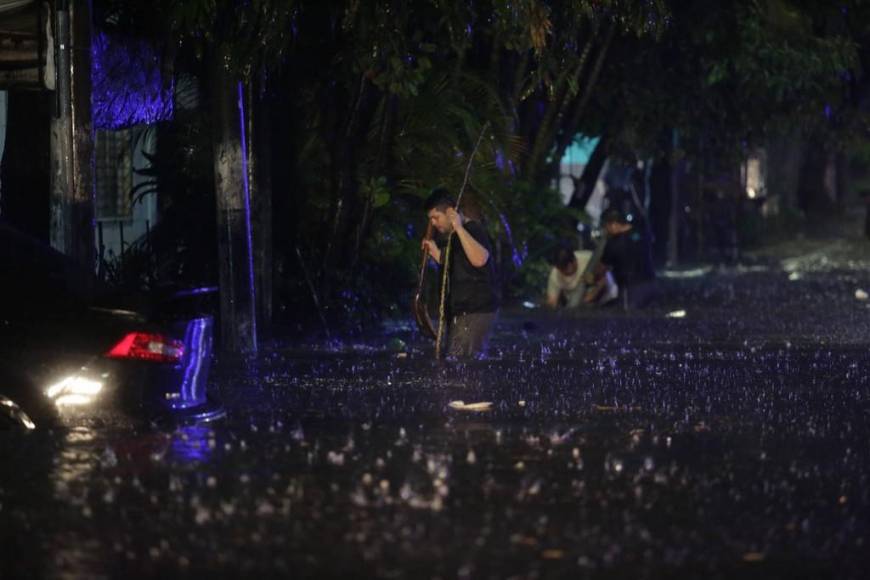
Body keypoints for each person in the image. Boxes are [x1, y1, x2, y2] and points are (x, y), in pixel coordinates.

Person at [421, 188, 499, 358]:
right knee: (455, 361)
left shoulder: (473, 230)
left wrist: (459, 227)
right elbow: (459, 265)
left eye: (436, 217)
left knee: (461, 364)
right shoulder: (455, 238)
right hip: (462, 313)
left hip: (475, 311)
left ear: (450, 212)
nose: (433, 223)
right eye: (431, 219)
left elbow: (480, 259)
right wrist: (436, 253)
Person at [599, 208, 656, 310]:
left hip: (631, 289)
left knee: (630, 318)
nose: (606, 230)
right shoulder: (641, 232)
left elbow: (602, 267)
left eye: (606, 227)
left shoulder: (612, 244)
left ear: (614, 224)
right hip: (651, 283)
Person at [545, 243, 617, 309]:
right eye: (564, 270)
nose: (568, 272)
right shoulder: (555, 275)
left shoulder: (588, 259)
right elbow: (552, 301)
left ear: (574, 260)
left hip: (603, 298)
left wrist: (590, 296)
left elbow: (605, 278)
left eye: (571, 267)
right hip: (574, 305)